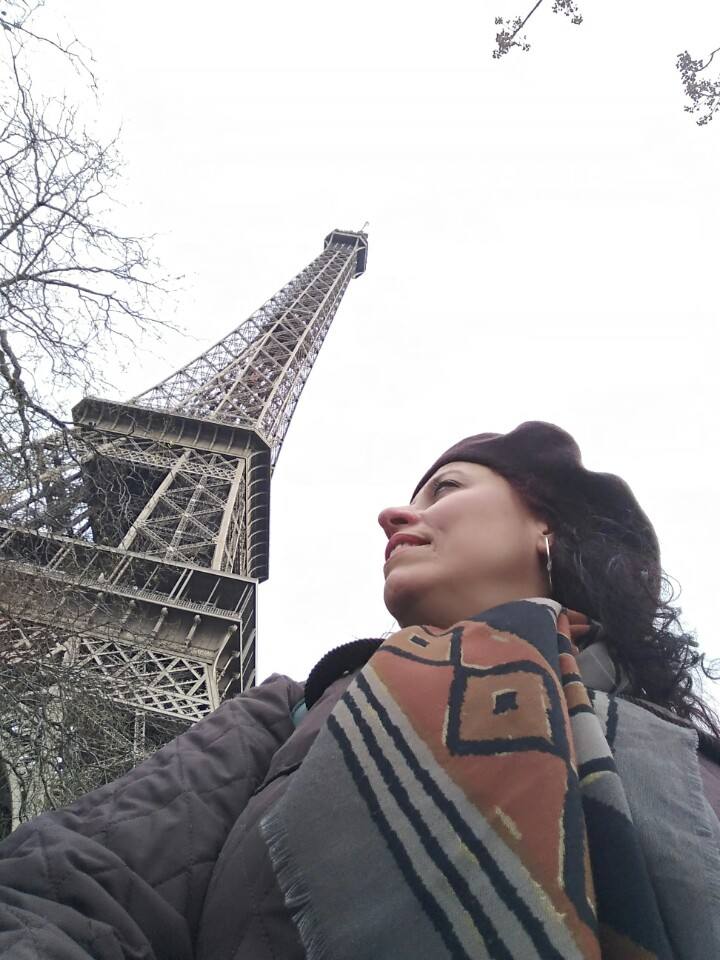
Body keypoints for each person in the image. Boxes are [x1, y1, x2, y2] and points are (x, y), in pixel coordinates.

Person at [1, 420, 719, 959]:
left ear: (547, 527)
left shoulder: (692, 757)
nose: (393, 516)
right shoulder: (288, 714)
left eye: (446, 489)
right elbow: (67, 890)